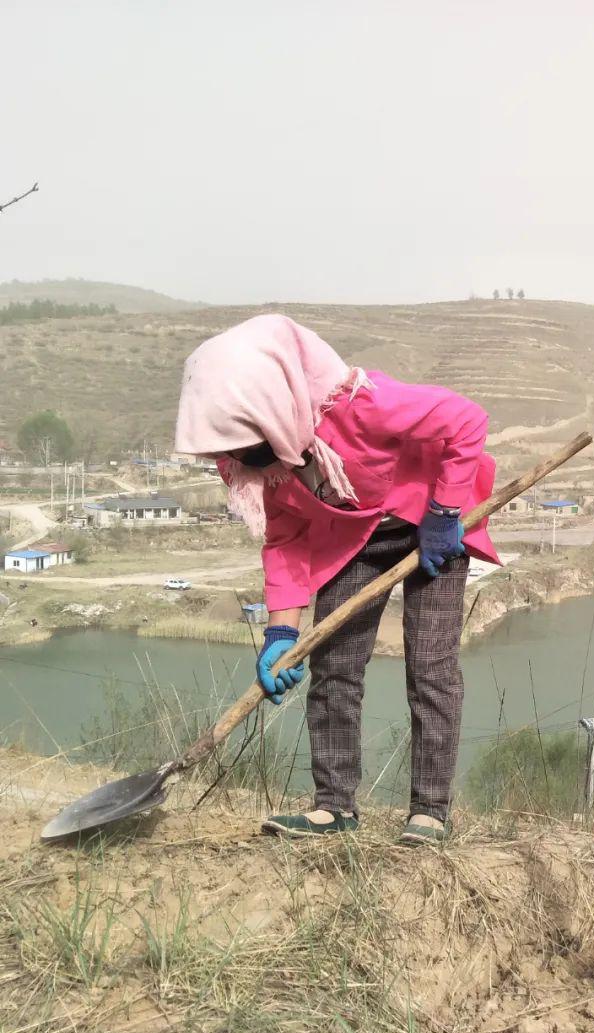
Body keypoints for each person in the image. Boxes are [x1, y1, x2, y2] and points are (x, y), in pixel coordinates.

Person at [174, 313, 498, 842]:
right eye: (231, 448)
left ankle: (429, 811)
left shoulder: (358, 404)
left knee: (431, 666)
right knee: (333, 667)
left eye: (248, 440)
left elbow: (467, 421)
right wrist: (281, 633)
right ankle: (334, 806)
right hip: (357, 540)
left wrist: (444, 513)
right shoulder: (250, 462)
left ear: (274, 403)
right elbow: (284, 538)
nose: (239, 457)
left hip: (430, 525)